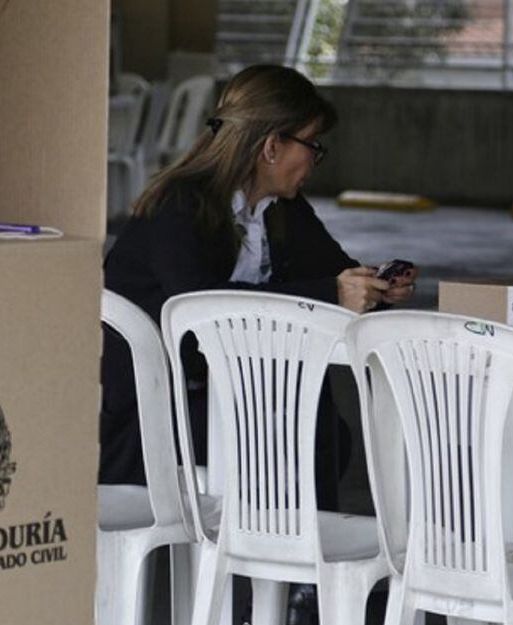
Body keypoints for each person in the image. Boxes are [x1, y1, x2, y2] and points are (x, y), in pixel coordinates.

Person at [99, 65, 417, 509]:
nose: (314, 161)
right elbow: (202, 311)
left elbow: (334, 271)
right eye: (312, 146)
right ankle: (304, 564)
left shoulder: (281, 209)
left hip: (223, 394)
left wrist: (375, 285)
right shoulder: (180, 205)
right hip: (157, 415)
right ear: (271, 146)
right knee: (303, 421)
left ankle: (306, 565)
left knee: (316, 419)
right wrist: (333, 294)